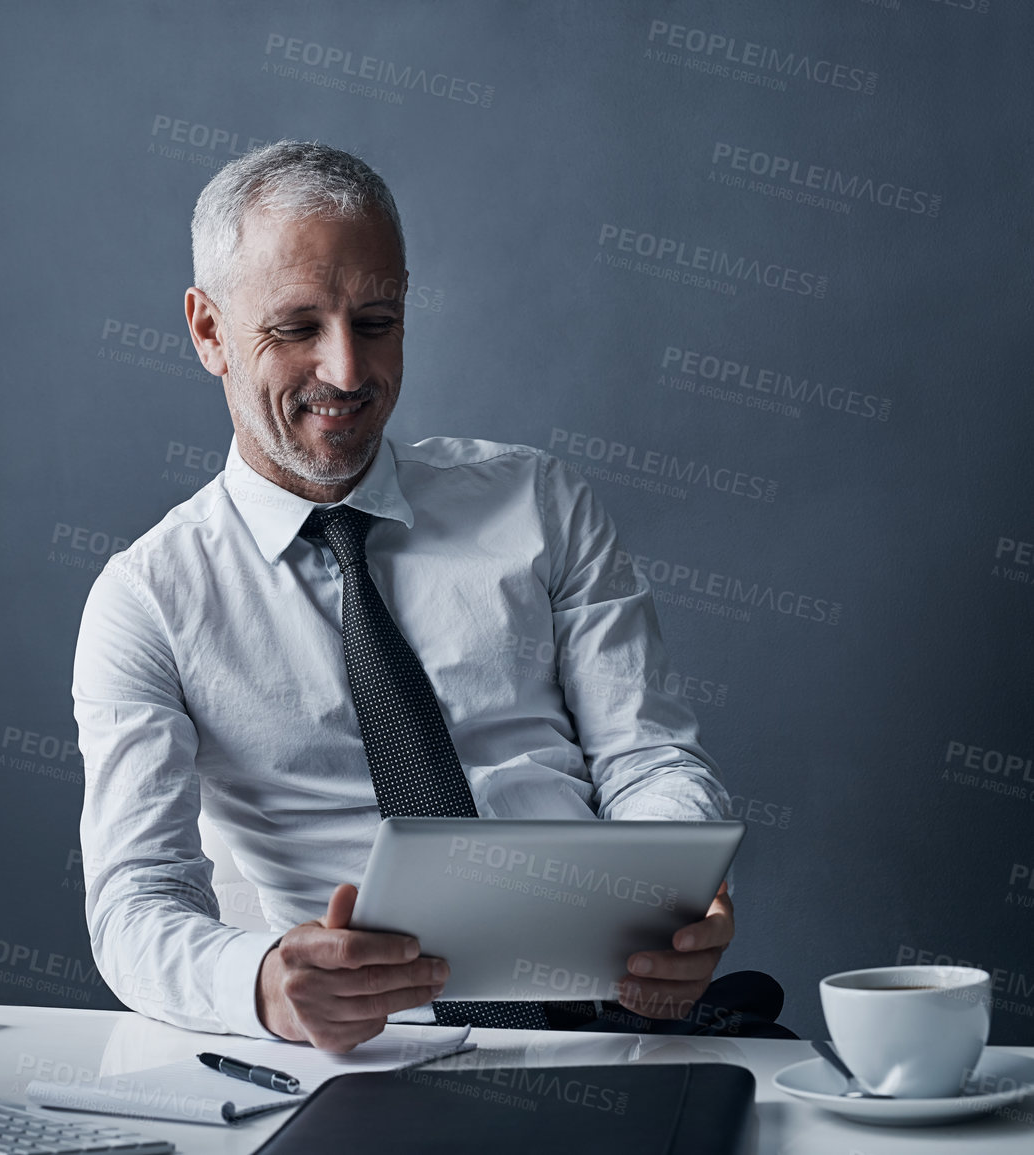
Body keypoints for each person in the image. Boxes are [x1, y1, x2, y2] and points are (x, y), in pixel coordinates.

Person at [73, 141, 788, 1051]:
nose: (345, 371)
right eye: (295, 328)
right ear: (208, 331)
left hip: (613, 1029)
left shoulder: (538, 503)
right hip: (367, 1053)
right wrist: (260, 983)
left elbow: (648, 760)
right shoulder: (149, 600)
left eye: (375, 320)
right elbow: (134, 904)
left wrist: (675, 902)